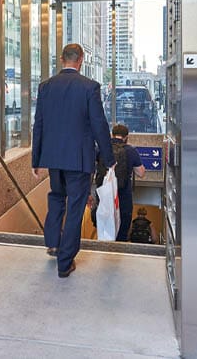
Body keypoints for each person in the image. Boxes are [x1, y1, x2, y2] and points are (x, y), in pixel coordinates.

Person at [32, 43, 115, 278]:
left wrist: (35, 161)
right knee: (75, 208)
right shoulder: (89, 87)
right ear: (80, 60)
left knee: (56, 198)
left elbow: (38, 125)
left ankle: (53, 244)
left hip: (53, 158)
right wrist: (109, 159)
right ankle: (65, 262)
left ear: (61, 59)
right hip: (78, 160)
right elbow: (99, 125)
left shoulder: (45, 87)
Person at [93, 123, 145, 241]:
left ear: (112, 134)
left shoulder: (101, 148)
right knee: (122, 224)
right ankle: (119, 251)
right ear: (126, 137)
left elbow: (92, 166)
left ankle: (103, 248)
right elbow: (141, 173)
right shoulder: (131, 151)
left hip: (104, 193)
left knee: (104, 222)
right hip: (123, 195)